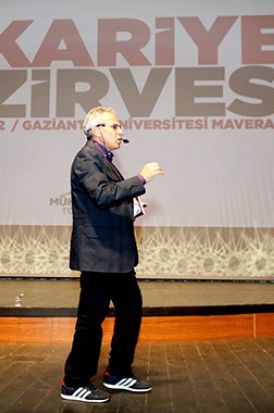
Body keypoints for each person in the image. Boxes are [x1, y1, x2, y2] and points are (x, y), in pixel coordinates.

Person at [60, 107, 164, 403]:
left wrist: (131, 207)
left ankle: (117, 372)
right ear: (97, 130)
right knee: (91, 321)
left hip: (115, 255)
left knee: (131, 309)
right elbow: (103, 195)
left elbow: (107, 200)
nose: (121, 132)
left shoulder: (104, 160)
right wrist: (141, 178)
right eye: (115, 126)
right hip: (99, 255)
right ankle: (74, 381)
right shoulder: (86, 158)